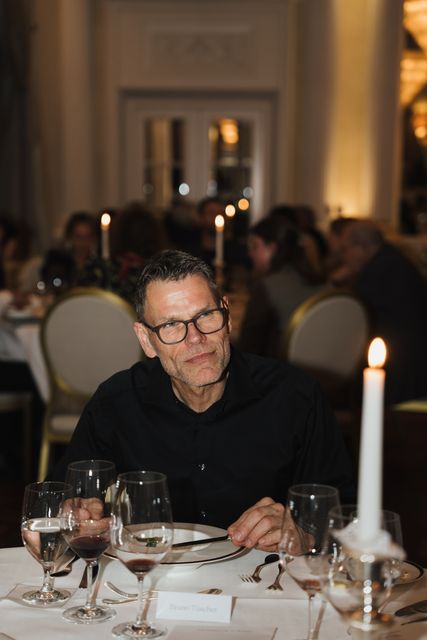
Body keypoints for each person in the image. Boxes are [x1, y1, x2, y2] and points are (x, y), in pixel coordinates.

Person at [52, 249, 353, 551]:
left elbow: (346, 514)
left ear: (227, 315)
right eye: (171, 325)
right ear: (146, 340)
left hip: (263, 575)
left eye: (206, 315)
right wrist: (77, 513)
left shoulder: (294, 397)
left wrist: (305, 535)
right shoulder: (116, 403)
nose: (195, 338)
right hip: (149, 573)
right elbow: (63, 501)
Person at [338, 219, 427, 405]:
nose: (343, 257)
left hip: (400, 368)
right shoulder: (393, 261)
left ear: (362, 247)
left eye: (345, 249)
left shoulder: (378, 273)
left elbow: (354, 322)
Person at [238, 216, 325, 357]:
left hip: (283, 366)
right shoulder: (325, 283)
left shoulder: (267, 287)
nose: (250, 254)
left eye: (254, 246)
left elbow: (248, 346)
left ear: (272, 249)